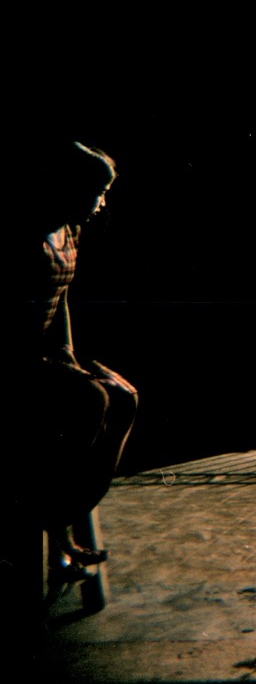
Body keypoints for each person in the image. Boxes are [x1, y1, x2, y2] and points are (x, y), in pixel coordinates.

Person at [10, 139, 138, 587]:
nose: (101, 203)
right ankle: (56, 523)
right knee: (89, 401)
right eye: (96, 191)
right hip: (12, 360)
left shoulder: (70, 232)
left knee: (123, 397)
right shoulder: (25, 235)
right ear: (67, 187)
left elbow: (60, 301)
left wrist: (66, 354)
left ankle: (67, 509)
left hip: (45, 354)